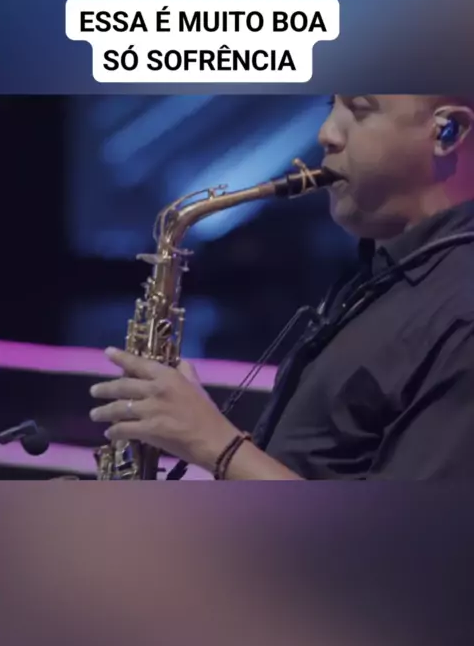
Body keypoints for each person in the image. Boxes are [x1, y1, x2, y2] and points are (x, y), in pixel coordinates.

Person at [89, 95, 474, 480]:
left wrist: (214, 444)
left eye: (359, 109)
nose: (326, 134)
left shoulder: (462, 311)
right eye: (330, 106)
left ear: (448, 131)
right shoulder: (379, 273)